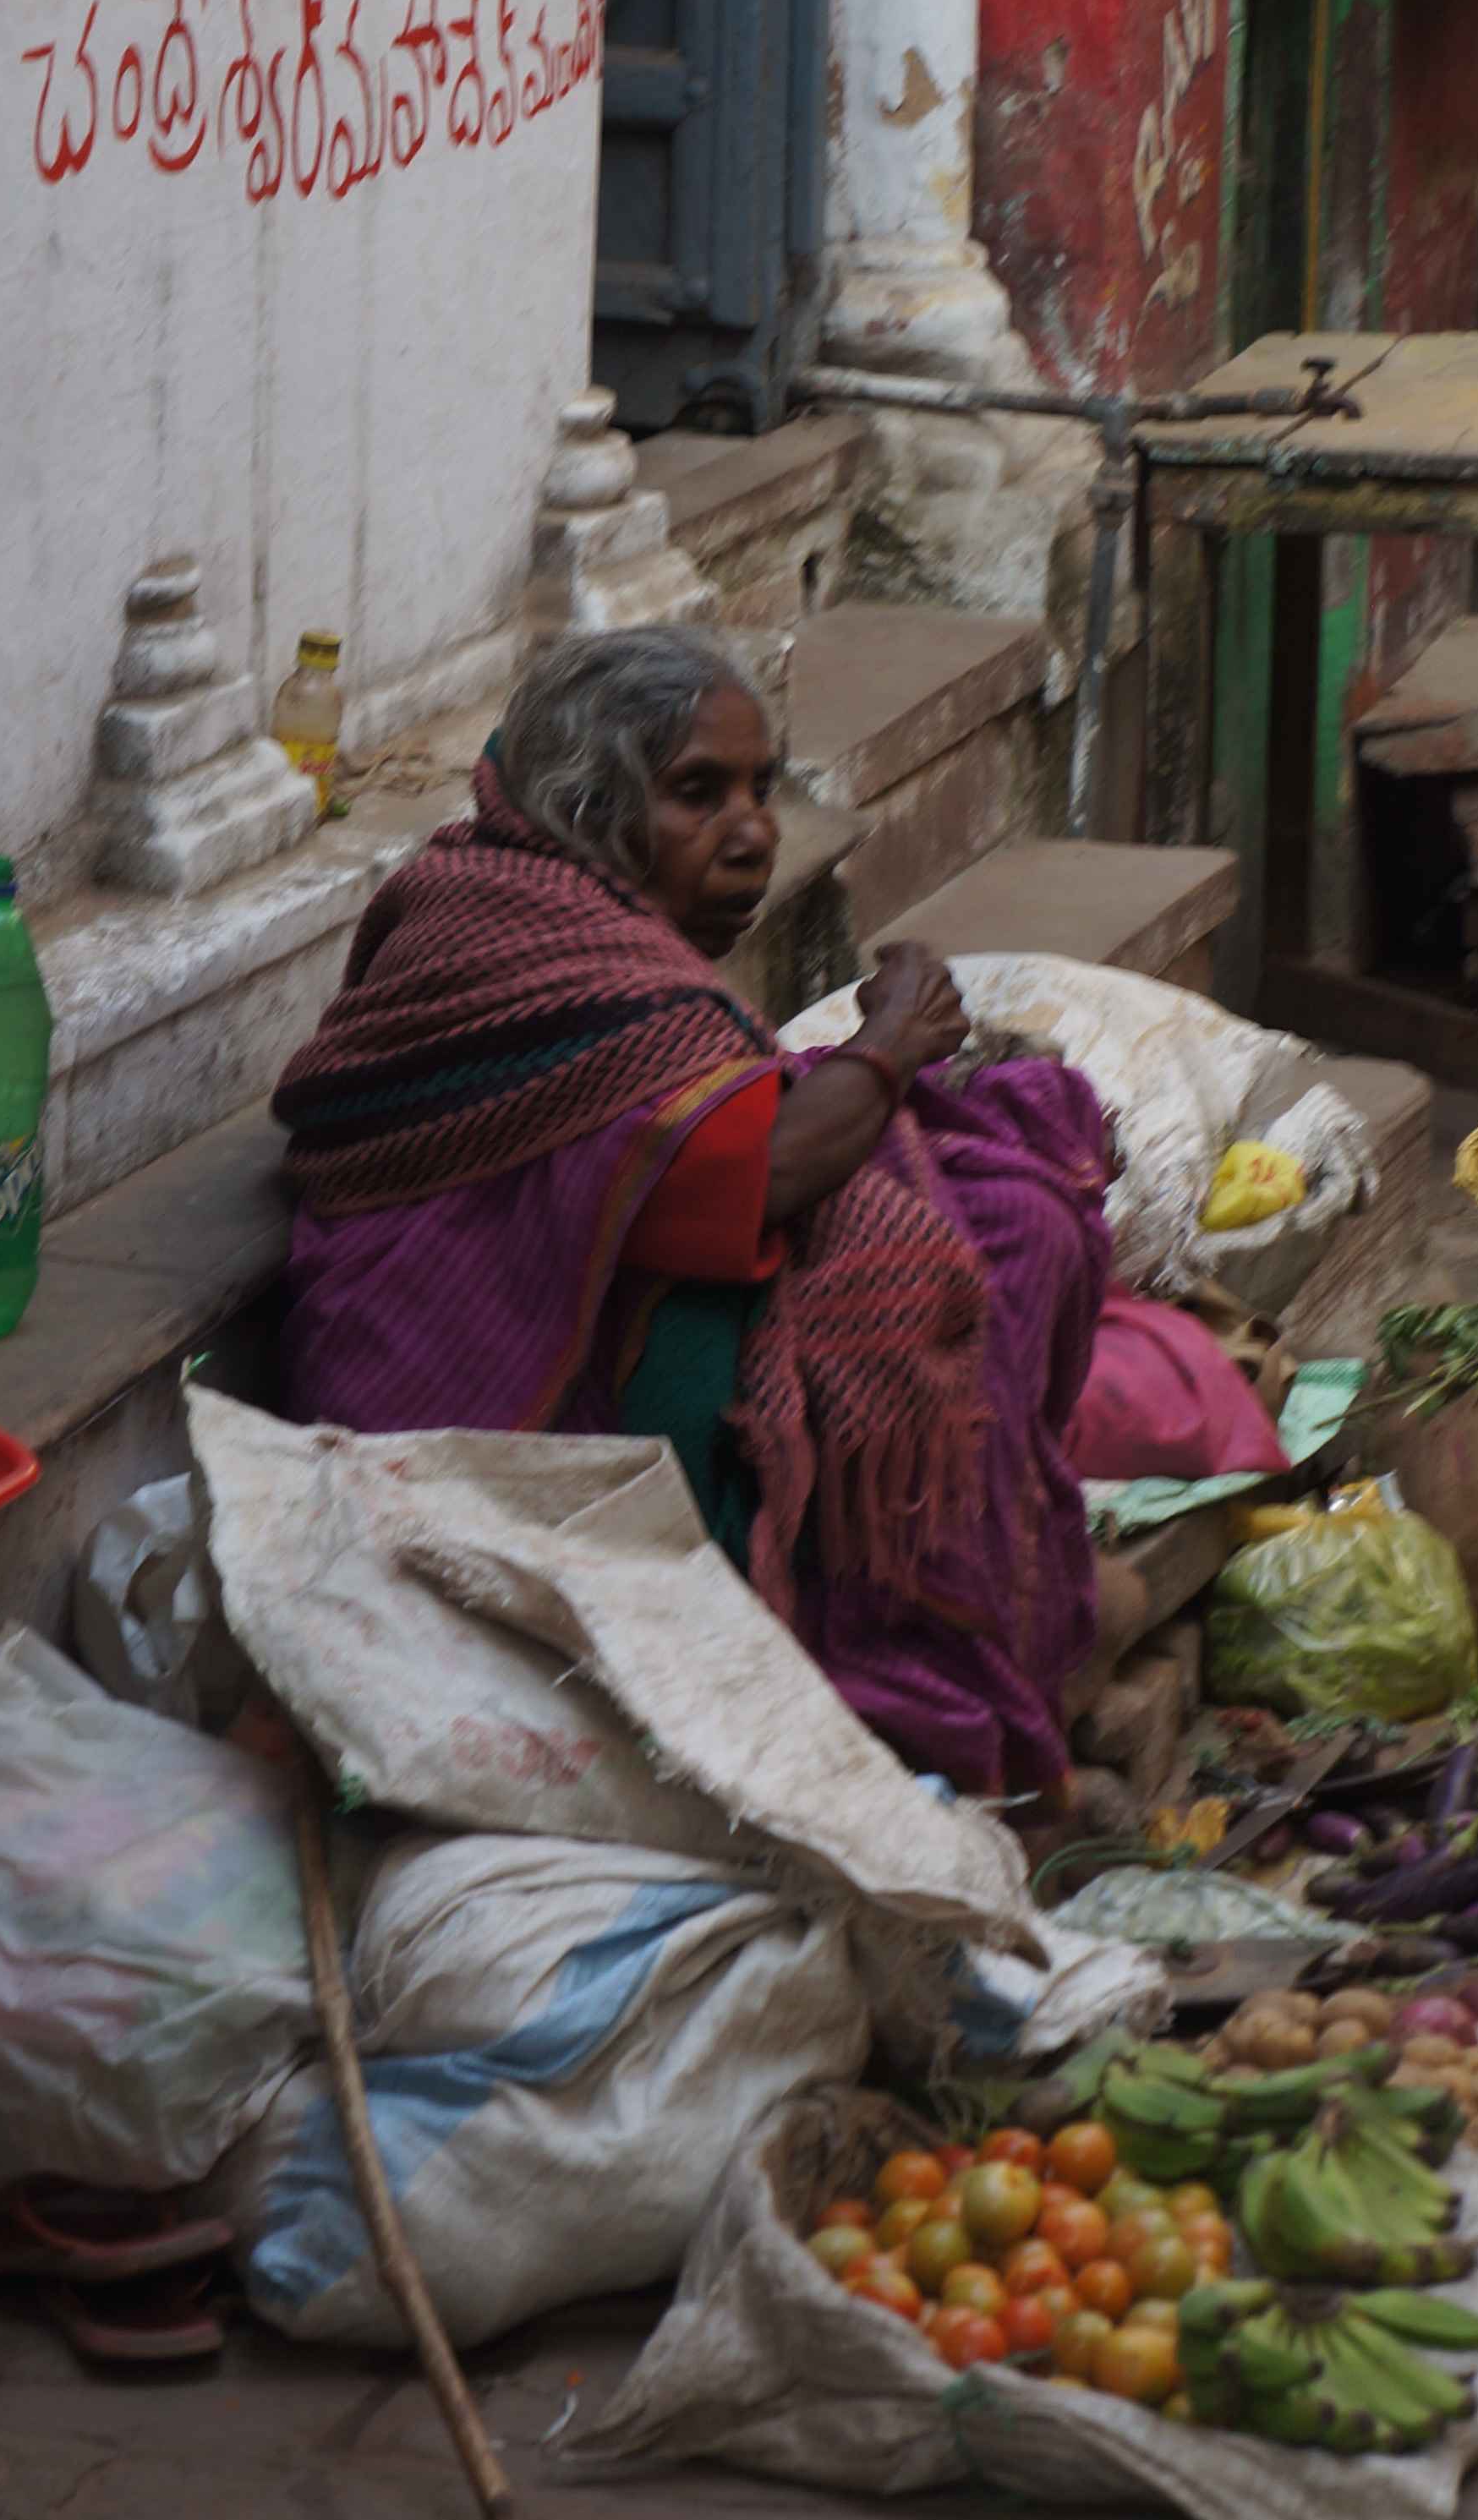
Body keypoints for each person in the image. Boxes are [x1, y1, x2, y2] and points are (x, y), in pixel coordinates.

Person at [271, 622, 1114, 1806]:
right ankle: (901, 1657)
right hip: (481, 1433)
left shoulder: (533, 904)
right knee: (975, 1257)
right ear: (588, 805)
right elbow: (745, 1184)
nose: (753, 832)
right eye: (698, 794)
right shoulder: (539, 949)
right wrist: (888, 1043)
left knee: (1006, 1191)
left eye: (761, 789)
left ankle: (975, 1616)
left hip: (540, 1352)